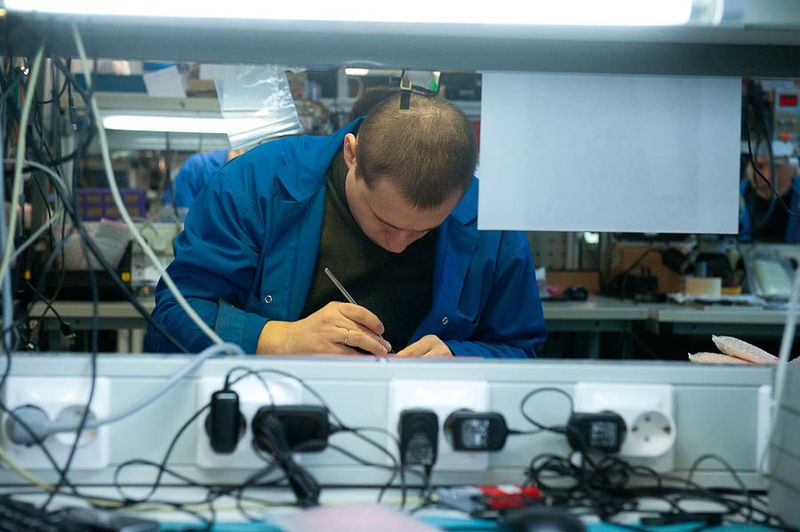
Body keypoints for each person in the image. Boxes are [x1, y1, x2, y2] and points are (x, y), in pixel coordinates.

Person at [144, 93, 546, 358]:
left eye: (424, 231)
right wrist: (280, 339)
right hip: (272, 414)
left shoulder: (490, 223)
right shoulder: (255, 186)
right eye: (385, 221)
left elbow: (520, 346)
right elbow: (171, 320)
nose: (399, 245)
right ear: (351, 153)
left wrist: (462, 358)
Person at [739, 140, 800, 242]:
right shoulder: (732, 201)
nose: (768, 176)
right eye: (759, 166)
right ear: (748, 168)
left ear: (794, 168)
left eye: (777, 166)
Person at [162, 148, 245, 221]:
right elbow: (183, 206)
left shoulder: (230, 169)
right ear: (238, 151)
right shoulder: (197, 163)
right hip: (180, 213)